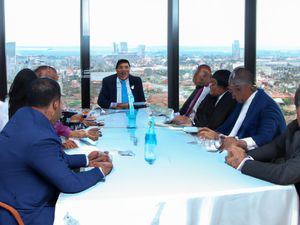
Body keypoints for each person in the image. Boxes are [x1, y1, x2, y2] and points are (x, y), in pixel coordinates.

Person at [0, 78, 113, 225]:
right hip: (26, 214)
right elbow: (70, 184)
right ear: (55, 104)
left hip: (10, 201)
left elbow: (51, 159)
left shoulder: (22, 118)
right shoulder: (40, 136)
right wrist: (101, 171)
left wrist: (86, 159)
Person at [226, 87, 300, 194]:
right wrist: (245, 156)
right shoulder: (293, 127)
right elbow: (275, 147)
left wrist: (243, 163)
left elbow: (285, 174)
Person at [198, 67, 286, 150]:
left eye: (232, 92)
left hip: (258, 157)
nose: (232, 96)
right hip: (229, 148)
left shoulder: (267, 106)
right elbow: (228, 127)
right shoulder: (242, 100)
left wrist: (238, 143)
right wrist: (216, 134)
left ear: (239, 89)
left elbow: (265, 137)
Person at [34, 65, 100, 146]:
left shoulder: (48, 115)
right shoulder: (37, 117)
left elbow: (59, 127)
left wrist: (82, 126)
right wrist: (61, 143)